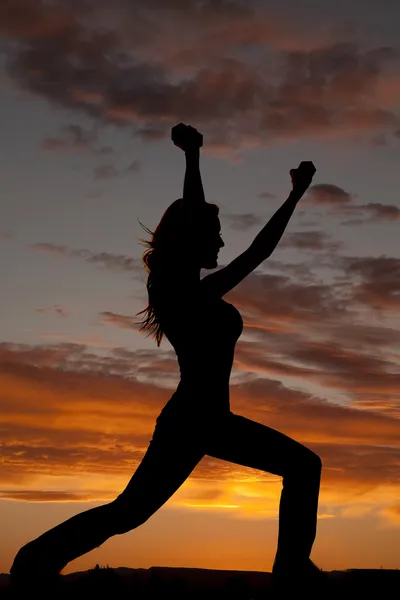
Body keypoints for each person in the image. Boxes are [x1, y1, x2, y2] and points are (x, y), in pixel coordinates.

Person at [10, 124, 322, 591]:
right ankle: (34, 561)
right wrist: (294, 196)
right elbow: (254, 250)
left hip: (203, 419)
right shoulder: (180, 292)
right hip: (195, 419)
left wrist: (193, 156)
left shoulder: (192, 287)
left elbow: (212, 223)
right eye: (214, 234)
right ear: (191, 239)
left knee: (130, 511)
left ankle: (34, 561)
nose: (220, 242)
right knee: (132, 511)